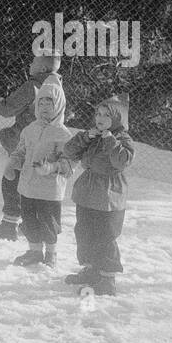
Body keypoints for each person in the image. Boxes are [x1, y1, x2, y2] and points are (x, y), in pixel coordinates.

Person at [0, 50, 62, 239]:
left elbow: (8, 109)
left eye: (33, 62)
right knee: (34, 185)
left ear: (42, 67)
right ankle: (34, 226)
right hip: (47, 143)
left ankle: (9, 225)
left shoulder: (33, 86)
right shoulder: (58, 88)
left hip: (27, 141)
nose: (30, 65)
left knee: (11, 180)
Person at [62, 94, 134, 296]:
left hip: (108, 196)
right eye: (98, 114)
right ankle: (92, 270)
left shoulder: (121, 139)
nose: (100, 118)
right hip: (87, 194)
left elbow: (122, 162)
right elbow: (69, 151)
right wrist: (85, 137)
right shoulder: (92, 135)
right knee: (84, 232)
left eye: (106, 115)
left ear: (118, 119)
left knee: (104, 236)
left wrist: (111, 142)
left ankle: (108, 278)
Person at [4, 74, 72, 268]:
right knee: (29, 221)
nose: (43, 108)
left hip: (49, 191)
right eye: (40, 104)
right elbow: (20, 151)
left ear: (58, 106)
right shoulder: (29, 129)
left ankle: (51, 253)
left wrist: (51, 168)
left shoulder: (63, 134)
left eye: (49, 104)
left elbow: (68, 165)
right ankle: (34, 251)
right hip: (27, 187)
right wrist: (12, 164)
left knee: (48, 223)